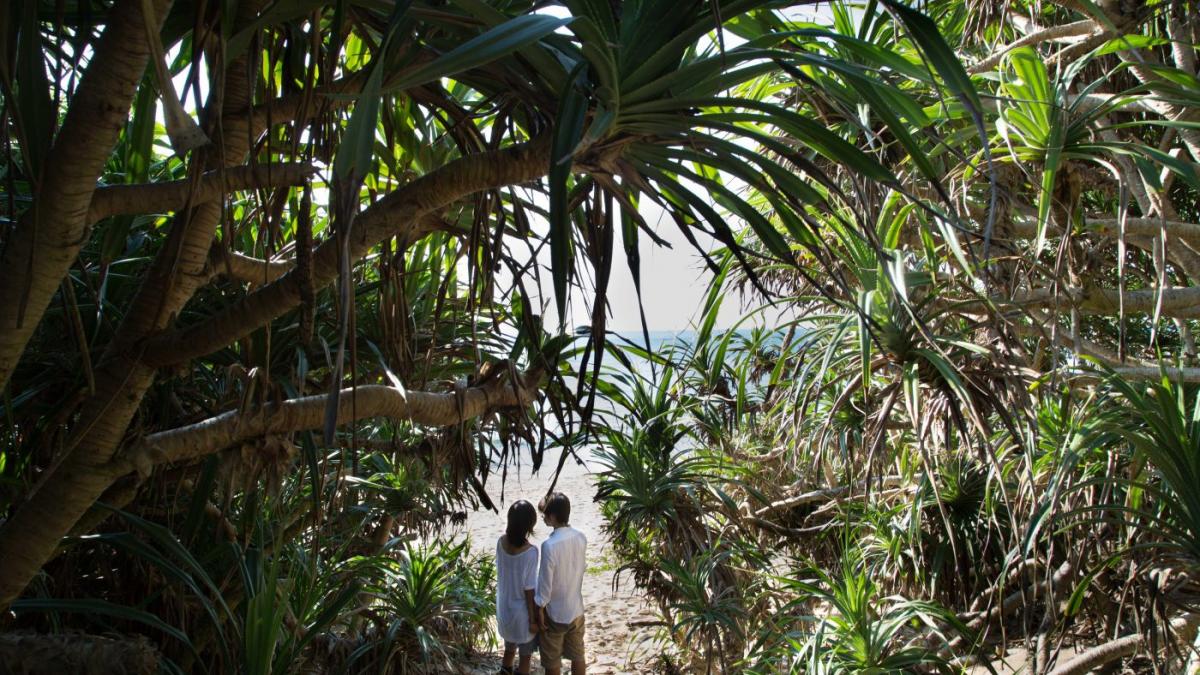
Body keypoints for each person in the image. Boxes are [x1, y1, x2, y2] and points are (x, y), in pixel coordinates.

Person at [535, 492, 587, 675]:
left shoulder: (549, 545)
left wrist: (540, 608)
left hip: (555, 613)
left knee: (552, 660)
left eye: (545, 516)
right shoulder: (581, 537)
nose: (543, 519)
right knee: (578, 655)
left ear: (553, 517)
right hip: (576, 609)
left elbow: (545, 584)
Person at [495, 500, 540, 675]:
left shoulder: (500, 543)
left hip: (504, 608)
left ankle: (505, 671)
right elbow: (529, 590)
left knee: (509, 648)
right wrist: (532, 619)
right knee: (525, 655)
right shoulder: (531, 552)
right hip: (521, 613)